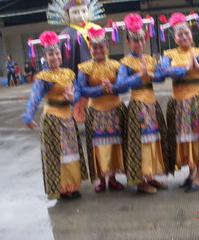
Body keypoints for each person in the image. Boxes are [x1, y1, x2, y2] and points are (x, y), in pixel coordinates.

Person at [160, 12, 199, 193]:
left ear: (191, 34)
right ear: (174, 38)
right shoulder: (169, 54)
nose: (184, 37)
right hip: (179, 103)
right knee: (184, 139)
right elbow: (164, 72)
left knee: (197, 138)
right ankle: (191, 172)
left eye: (186, 33)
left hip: (196, 102)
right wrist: (185, 69)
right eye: (180, 34)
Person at [23, 31, 88, 200]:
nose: (55, 57)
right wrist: (28, 116)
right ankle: (62, 188)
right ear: (45, 57)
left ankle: (72, 185)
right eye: (50, 54)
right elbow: (35, 96)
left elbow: (77, 95)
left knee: (71, 153)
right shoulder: (44, 77)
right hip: (52, 119)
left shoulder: (68, 73)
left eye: (57, 53)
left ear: (61, 54)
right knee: (58, 155)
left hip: (67, 118)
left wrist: (72, 98)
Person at [77, 27, 143, 192]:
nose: (98, 50)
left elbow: (123, 87)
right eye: (95, 47)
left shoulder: (116, 65)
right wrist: (101, 89)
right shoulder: (84, 68)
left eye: (102, 47)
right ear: (90, 48)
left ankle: (113, 178)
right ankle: (101, 180)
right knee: (98, 147)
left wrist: (112, 87)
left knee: (115, 145)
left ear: (107, 47)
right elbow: (81, 90)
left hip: (115, 110)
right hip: (96, 111)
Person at [117, 13, 170, 194]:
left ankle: (152, 175)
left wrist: (154, 74)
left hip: (152, 104)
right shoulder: (124, 63)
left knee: (154, 141)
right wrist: (139, 76)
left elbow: (162, 77)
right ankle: (140, 181)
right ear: (128, 42)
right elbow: (121, 86)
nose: (139, 44)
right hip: (137, 105)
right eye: (134, 40)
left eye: (141, 40)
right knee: (140, 143)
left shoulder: (150, 59)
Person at [47, 0, 105, 122]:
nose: (81, 15)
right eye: (75, 12)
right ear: (67, 16)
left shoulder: (97, 29)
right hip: (80, 77)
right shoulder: (66, 35)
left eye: (84, 11)